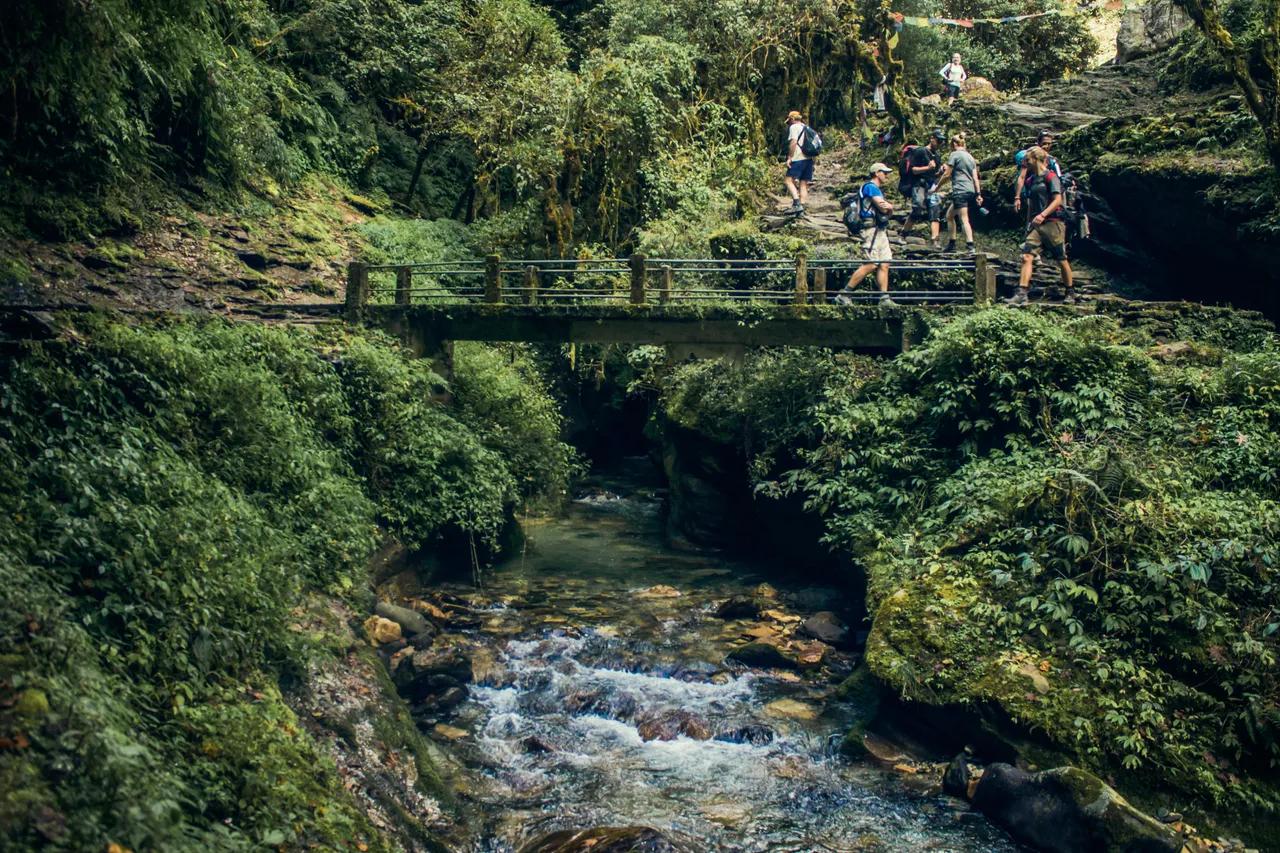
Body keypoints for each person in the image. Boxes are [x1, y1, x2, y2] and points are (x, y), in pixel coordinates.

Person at [1007, 146, 1075, 306]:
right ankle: (1022, 293)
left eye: (1027, 160)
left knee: (1061, 258)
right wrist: (1030, 221)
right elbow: (1031, 202)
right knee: (1027, 256)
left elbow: (1057, 200)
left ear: (1036, 159)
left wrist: (1043, 214)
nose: (1025, 163)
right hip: (1037, 225)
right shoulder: (1031, 180)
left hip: (1053, 223)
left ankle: (1070, 291)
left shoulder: (1051, 177)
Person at [833, 163, 896, 306]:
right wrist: (890, 207)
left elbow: (886, 209)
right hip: (870, 230)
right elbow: (883, 207)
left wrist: (889, 208)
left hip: (879, 230)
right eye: (884, 172)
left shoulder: (874, 188)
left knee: (884, 262)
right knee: (871, 263)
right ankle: (844, 294)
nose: (886, 175)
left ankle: (884, 298)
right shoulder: (871, 187)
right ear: (877, 173)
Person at [932, 132, 982, 253]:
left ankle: (970, 245)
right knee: (949, 216)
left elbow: (947, 174)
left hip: (960, 190)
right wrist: (978, 194)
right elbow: (975, 178)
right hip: (970, 190)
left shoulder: (955, 155)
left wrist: (937, 187)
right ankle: (952, 243)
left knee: (964, 218)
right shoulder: (970, 157)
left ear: (954, 144)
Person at [900, 129, 945, 249]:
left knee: (935, 210)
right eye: (938, 140)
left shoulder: (937, 156)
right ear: (932, 138)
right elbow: (913, 170)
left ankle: (935, 241)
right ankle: (903, 234)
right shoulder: (920, 151)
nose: (940, 143)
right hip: (918, 185)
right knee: (917, 209)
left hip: (931, 186)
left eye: (942, 142)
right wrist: (928, 167)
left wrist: (940, 173)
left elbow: (934, 174)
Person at [1012, 130, 1062, 220]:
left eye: (1049, 143)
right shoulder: (1029, 157)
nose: (1046, 146)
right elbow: (1022, 177)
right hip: (1032, 189)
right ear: (1038, 143)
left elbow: (1058, 178)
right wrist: (1017, 197)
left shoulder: (1051, 160)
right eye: (1044, 143)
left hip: (1048, 190)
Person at [784, 110, 814, 214]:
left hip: (798, 158)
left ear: (792, 119)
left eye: (789, 121)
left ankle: (796, 204)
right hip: (808, 159)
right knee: (803, 183)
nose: (789, 123)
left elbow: (793, 142)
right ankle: (802, 207)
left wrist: (790, 157)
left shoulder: (794, 127)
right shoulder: (805, 126)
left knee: (788, 180)